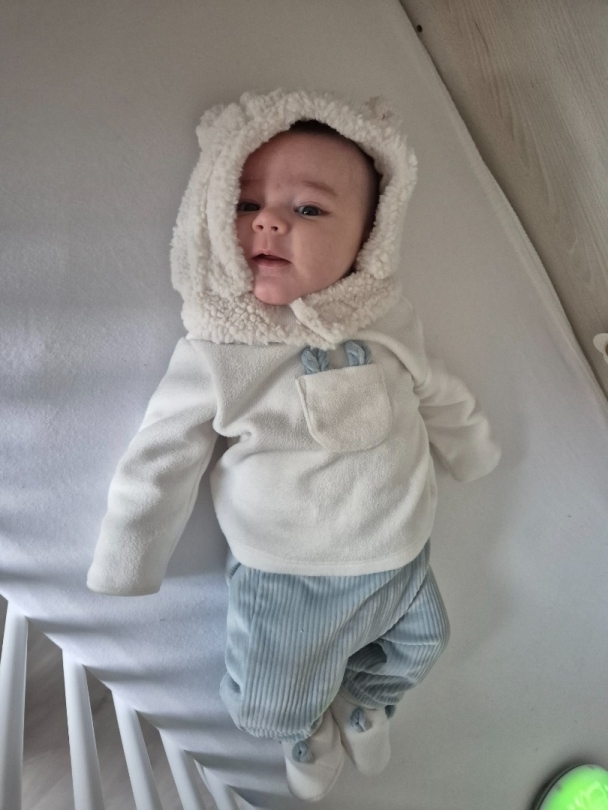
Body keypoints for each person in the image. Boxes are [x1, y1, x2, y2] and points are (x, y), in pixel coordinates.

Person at [87, 89, 501, 802]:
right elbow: (162, 454)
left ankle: (367, 697)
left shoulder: (385, 317)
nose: (270, 220)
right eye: (247, 204)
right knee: (266, 702)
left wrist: (471, 447)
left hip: (403, 550)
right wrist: (129, 553)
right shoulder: (220, 347)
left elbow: (434, 387)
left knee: (423, 643)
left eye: (308, 209)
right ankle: (304, 728)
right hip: (288, 576)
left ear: (369, 239)